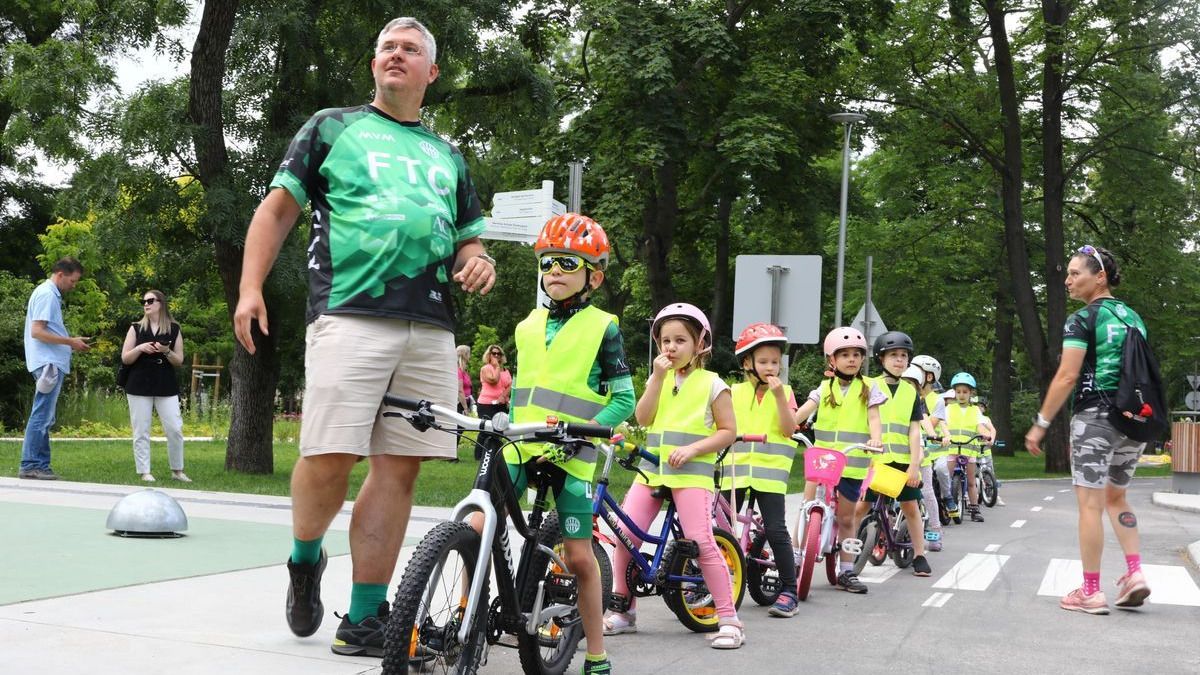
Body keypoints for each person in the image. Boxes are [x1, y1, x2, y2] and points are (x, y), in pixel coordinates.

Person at [232, 16, 496, 657]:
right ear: (374, 64)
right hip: (348, 314)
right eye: (387, 47)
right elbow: (277, 210)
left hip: (430, 326)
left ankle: (366, 619)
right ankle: (304, 558)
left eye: (411, 50)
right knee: (329, 455)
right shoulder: (333, 127)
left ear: (432, 73)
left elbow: (468, 235)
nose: (397, 55)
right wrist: (250, 288)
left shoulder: (448, 155)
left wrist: (478, 257)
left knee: (398, 468)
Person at [501, 213, 634, 673]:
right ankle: (462, 617)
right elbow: (524, 392)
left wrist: (584, 430)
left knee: (579, 557)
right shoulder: (526, 326)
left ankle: (596, 653)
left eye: (566, 263)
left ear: (592, 276)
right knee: (479, 526)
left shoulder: (604, 327)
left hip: (573, 454)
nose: (553, 271)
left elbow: (624, 400)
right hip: (521, 446)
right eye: (547, 263)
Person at [604, 303, 745, 649]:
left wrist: (695, 449)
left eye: (680, 340)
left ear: (700, 344)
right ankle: (624, 612)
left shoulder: (713, 384)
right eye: (665, 340)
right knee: (624, 537)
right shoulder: (660, 378)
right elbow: (644, 417)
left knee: (699, 541)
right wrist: (655, 378)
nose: (670, 347)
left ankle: (729, 619)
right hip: (653, 471)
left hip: (692, 474)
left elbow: (728, 431)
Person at [1026, 245, 1152, 615]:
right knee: (1118, 498)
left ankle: (1091, 591)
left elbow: (1067, 375)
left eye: (1075, 273)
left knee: (1091, 504)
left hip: (1096, 418)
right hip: (1135, 421)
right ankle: (1135, 573)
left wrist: (1041, 424)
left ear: (1099, 277)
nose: (1067, 280)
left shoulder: (1082, 319)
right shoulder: (1134, 319)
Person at [792, 327, 884, 594]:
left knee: (846, 519)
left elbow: (874, 419)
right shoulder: (824, 388)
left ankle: (846, 570)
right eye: (844, 355)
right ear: (832, 360)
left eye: (857, 354)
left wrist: (875, 439)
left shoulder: (869, 388)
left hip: (853, 462)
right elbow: (804, 411)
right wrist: (788, 425)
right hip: (822, 460)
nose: (851, 359)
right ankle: (796, 557)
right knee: (806, 509)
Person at [721, 322, 801, 616]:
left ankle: (789, 590)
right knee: (720, 528)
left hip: (770, 475)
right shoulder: (733, 392)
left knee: (777, 530)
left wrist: (780, 397)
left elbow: (789, 429)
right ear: (747, 363)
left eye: (775, 362)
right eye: (764, 361)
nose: (771, 368)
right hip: (735, 472)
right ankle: (710, 581)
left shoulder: (786, 392)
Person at [866, 332, 931, 576]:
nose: (899, 360)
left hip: (903, 461)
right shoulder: (870, 385)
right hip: (876, 459)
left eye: (904, 356)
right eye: (893, 355)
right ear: (881, 359)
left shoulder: (910, 392)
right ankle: (848, 557)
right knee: (862, 507)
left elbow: (914, 431)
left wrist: (914, 465)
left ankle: (919, 554)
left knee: (910, 507)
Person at [20, 257, 90, 480]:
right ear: (60, 274)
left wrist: (70, 341)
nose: (74, 285)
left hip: (48, 362)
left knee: (45, 416)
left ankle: (39, 464)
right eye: (73, 280)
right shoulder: (47, 294)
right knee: (42, 415)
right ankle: (31, 464)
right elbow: (37, 332)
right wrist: (71, 342)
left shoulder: (48, 294)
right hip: (48, 364)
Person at [120, 290, 189, 483]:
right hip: (139, 382)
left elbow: (179, 360)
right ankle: (144, 471)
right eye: (144, 301)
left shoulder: (174, 329)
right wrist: (140, 349)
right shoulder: (136, 328)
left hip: (165, 383)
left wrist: (166, 351)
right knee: (141, 429)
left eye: (150, 300)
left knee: (175, 428)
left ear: (161, 303)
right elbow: (125, 358)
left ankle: (177, 470)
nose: (146, 304)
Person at [911, 354, 950, 551]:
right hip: (897, 448)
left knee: (926, 490)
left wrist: (934, 433)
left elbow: (926, 419)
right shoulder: (905, 391)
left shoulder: (935, 400)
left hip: (922, 449)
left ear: (928, 377)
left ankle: (935, 530)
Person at [944, 372, 993, 522]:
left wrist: (987, 435)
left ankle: (974, 509)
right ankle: (945, 505)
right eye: (958, 392)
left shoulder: (975, 410)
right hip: (952, 449)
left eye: (965, 392)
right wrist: (944, 435)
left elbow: (980, 426)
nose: (961, 395)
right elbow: (943, 424)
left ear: (971, 393)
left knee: (971, 481)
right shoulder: (949, 408)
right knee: (947, 478)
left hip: (969, 450)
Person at [475, 343, 512, 460]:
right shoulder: (485, 368)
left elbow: (510, 385)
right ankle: (479, 455)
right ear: (489, 355)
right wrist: (496, 367)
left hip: (501, 404)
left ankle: (493, 453)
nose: (496, 356)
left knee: (499, 430)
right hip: (486, 404)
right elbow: (493, 380)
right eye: (494, 353)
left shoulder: (506, 370)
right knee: (486, 429)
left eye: (499, 354)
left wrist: (503, 396)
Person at [455, 344, 474, 414]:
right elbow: (460, 390)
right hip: (461, 405)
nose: (470, 356)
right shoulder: (459, 371)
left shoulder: (464, 370)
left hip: (467, 402)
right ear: (465, 355)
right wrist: (465, 408)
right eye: (469, 354)